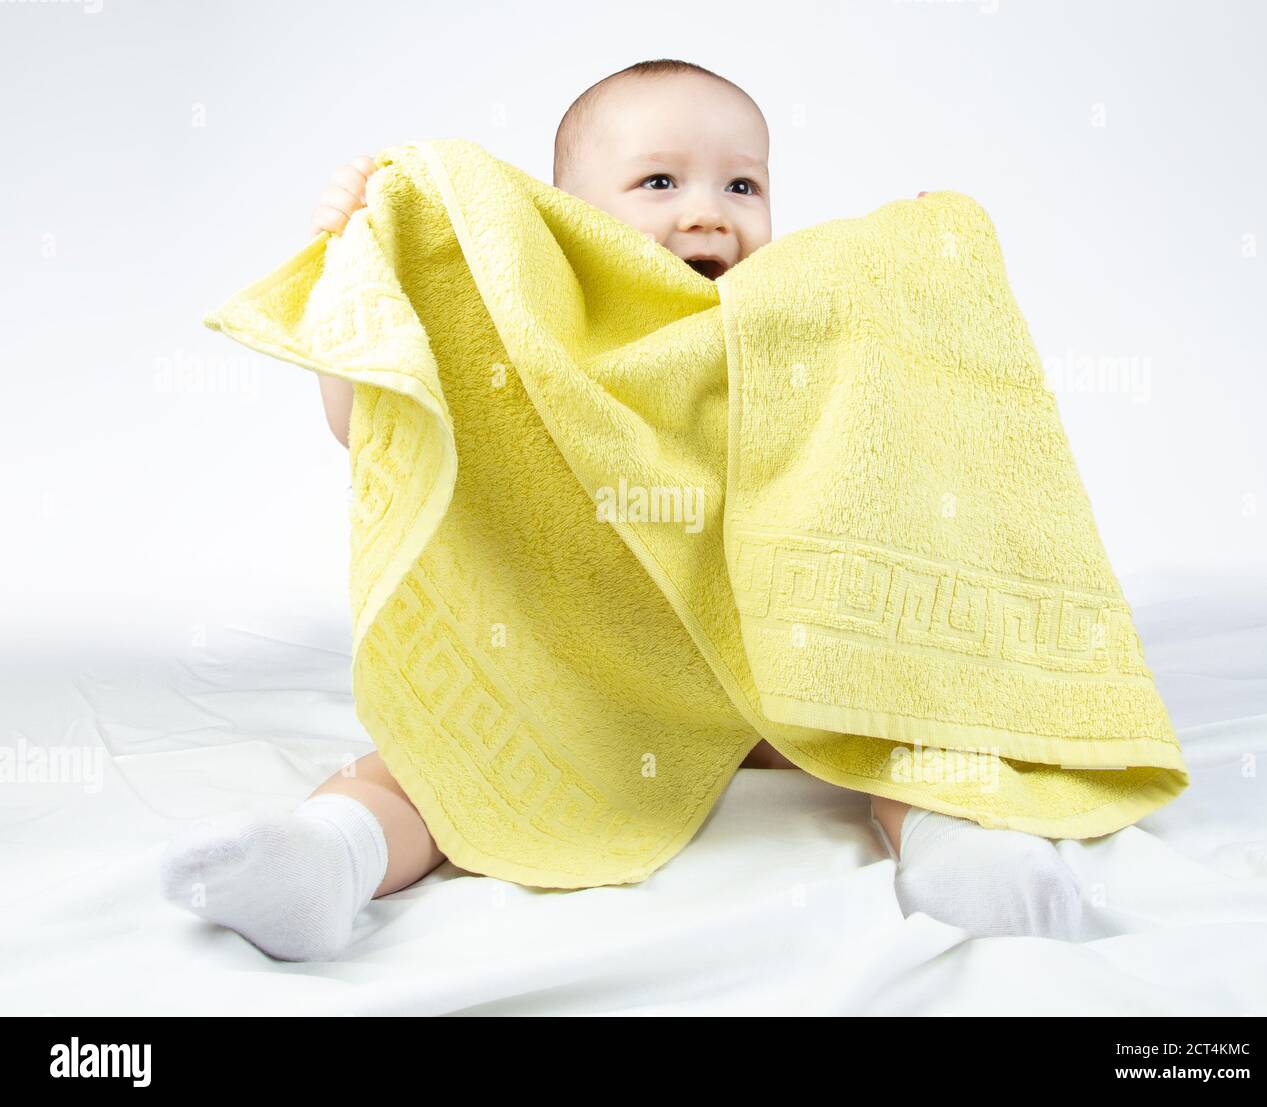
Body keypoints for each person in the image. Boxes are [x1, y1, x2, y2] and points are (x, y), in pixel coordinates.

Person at [161, 59, 1089, 962]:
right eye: (658, 180)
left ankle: (954, 846)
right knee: (431, 761)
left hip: (763, 669)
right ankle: (330, 853)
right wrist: (366, 261)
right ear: (566, 221)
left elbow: (885, 425)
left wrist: (911, 278)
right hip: (585, 669)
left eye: (742, 183)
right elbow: (377, 417)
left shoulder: (776, 328)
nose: (707, 210)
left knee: (894, 725)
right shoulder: (535, 341)